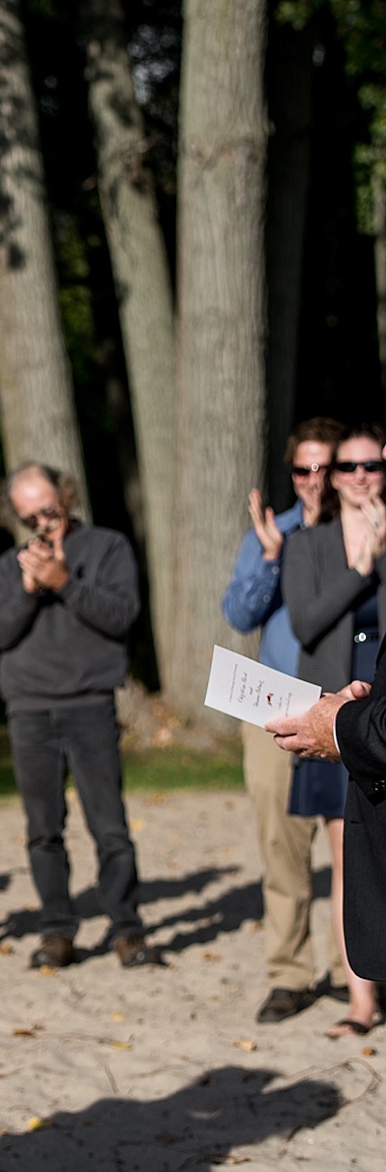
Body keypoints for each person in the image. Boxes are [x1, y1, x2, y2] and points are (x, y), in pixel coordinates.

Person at [0, 462, 160, 970]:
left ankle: (126, 927)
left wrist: (64, 582)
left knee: (109, 825)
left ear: (66, 495)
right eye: (29, 518)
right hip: (29, 706)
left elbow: (121, 616)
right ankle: (57, 929)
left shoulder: (107, 547)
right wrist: (29, 587)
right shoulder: (8, 567)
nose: (42, 523)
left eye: (49, 510)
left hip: (89, 702)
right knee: (43, 828)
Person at [221, 417, 345, 1024]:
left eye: (327, 466)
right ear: (291, 473)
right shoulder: (272, 532)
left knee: (354, 846)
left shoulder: (363, 531)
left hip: (345, 704)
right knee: (282, 846)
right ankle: (290, 975)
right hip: (276, 706)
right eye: (304, 467)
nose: (314, 479)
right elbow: (239, 615)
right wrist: (271, 558)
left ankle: (354, 972)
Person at [279, 422, 385, 1037]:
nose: (359, 476)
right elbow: (307, 622)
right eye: (347, 466)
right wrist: (362, 565)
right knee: (351, 859)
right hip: (335, 714)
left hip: (384, 710)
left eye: (372, 465)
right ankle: (361, 1000)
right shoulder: (308, 544)